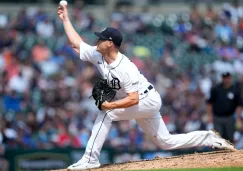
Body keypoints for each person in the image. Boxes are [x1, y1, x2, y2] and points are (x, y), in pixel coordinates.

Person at [57, 4, 236, 171]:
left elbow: (133, 98)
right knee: (166, 142)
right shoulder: (98, 54)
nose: (97, 41)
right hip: (139, 101)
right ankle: (209, 138)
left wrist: (110, 106)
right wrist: (66, 19)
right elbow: (77, 44)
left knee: (106, 113)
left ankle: (90, 159)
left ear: (110, 43)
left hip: (146, 99)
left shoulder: (125, 68)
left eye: (101, 39)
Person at [207, 72, 243, 143]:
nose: (226, 80)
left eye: (228, 78)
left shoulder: (235, 90)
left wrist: (238, 118)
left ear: (230, 78)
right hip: (217, 118)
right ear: (222, 79)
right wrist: (209, 116)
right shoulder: (216, 89)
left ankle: (230, 154)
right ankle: (218, 153)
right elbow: (209, 103)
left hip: (229, 117)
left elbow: (239, 105)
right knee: (218, 138)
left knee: (229, 138)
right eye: (224, 78)